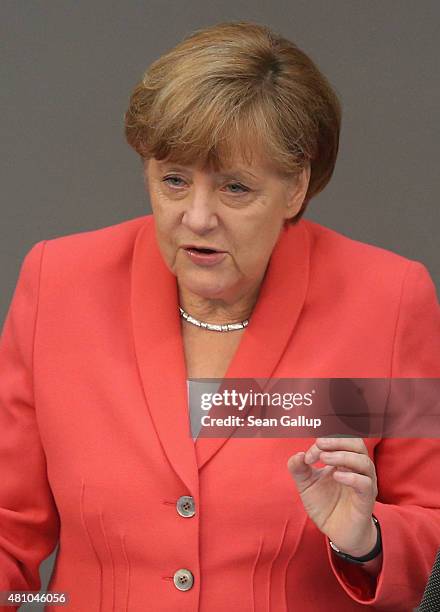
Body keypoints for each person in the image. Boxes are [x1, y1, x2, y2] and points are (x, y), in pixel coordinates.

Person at [0, 20, 439, 612]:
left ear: (296, 187)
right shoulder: (59, 285)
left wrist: (365, 542)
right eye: (174, 181)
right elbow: (8, 531)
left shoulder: (386, 302)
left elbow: (429, 526)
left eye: (235, 188)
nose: (197, 217)